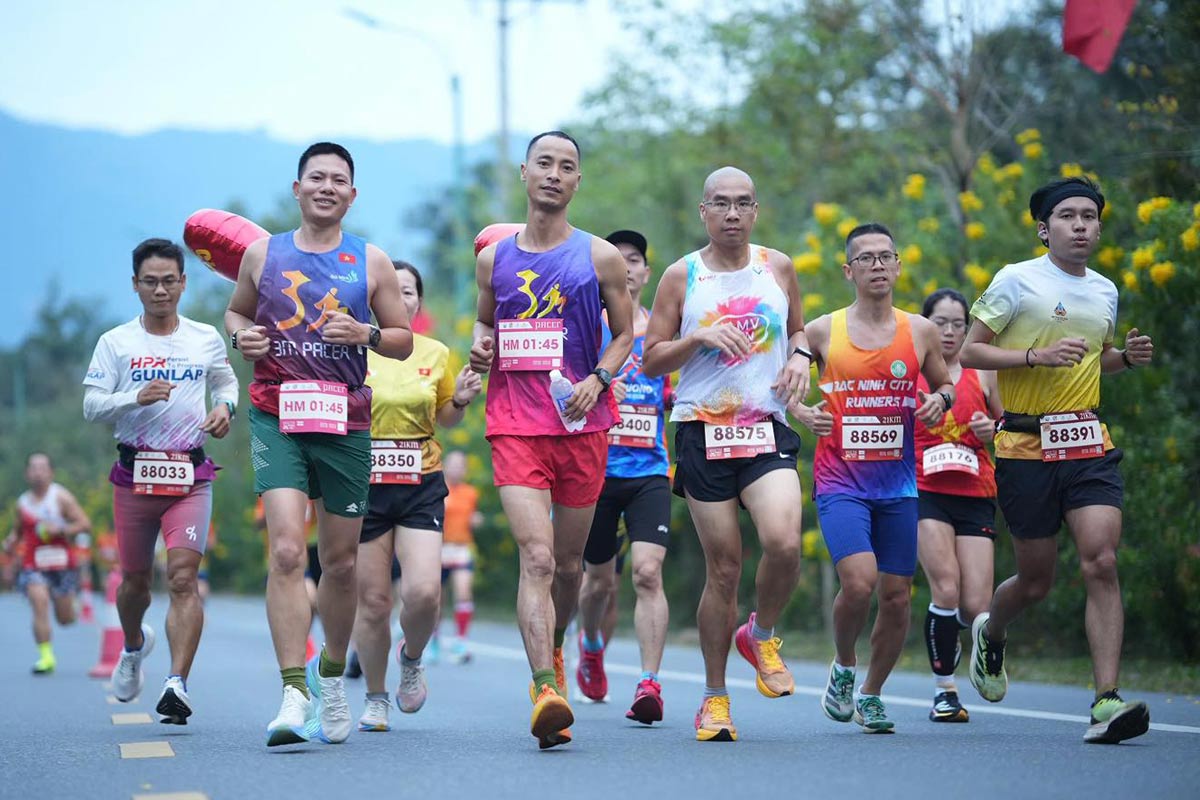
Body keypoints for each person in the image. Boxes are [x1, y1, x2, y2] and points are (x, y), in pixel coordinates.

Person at [224, 141, 413, 747]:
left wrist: (367, 332)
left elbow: (403, 340)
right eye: (316, 178)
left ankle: (332, 676)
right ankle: (292, 691)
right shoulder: (262, 254)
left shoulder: (372, 262)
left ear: (351, 196)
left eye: (338, 180)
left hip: (347, 425)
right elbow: (236, 315)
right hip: (276, 414)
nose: (326, 187)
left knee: (338, 563)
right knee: (285, 552)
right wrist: (243, 340)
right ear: (298, 188)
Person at [961, 177, 1154, 744]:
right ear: (1045, 229)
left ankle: (1105, 701)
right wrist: (1032, 356)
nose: (1080, 225)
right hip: (1024, 447)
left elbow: (1095, 362)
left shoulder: (1105, 290)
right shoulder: (1015, 280)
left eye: (1089, 216)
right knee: (1038, 580)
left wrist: (1127, 358)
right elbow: (971, 350)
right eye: (1067, 216)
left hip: (1089, 442)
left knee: (1101, 561)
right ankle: (992, 633)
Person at [469, 130, 633, 749]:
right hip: (514, 422)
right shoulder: (494, 258)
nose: (555, 175)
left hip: (582, 424)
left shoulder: (600, 258)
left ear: (576, 181)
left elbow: (623, 335)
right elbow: (487, 323)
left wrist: (600, 377)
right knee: (536, 557)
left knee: (569, 566)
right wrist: (482, 346)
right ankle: (543, 686)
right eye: (545, 163)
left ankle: (556, 652)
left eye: (567, 167)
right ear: (525, 173)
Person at [642, 167, 812, 743]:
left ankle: (760, 632)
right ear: (704, 212)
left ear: (756, 211)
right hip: (701, 432)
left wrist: (801, 360)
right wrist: (698, 339)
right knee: (725, 570)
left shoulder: (777, 266)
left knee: (786, 543)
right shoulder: (680, 276)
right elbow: (652, 359)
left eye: (743, 204)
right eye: (722, 204)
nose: (733, 213)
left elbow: (800, 332)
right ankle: (715, 700)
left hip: (764, 426)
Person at [794, 222, 954, 734]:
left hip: (900, 486)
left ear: (899, 265)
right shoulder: (822, 331)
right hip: (840, 480)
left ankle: (872, 692)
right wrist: (804, 413)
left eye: (887, 256)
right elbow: (785, 389)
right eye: (866, 258)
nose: (878, 265)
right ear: (849, 270)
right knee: (859, 583)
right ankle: (843, 666)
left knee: (898, 595)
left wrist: (939, 401)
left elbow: (946, 382)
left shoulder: (920, 331)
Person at [83, 238, 238, 723]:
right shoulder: (116, 342)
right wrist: (133, 396)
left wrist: (225, 408)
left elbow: (227, 382)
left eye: (169, 281)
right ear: (135, 285)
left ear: (183, 283)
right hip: (135, 473)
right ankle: (133, 646)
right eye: (150, 281)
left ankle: (176, 684)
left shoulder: (204, 336)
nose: (160, 290)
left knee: (183, 577)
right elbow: (91, 405)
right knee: (135, 583)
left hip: (189, 473)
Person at [354, 261, 482, 732]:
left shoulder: (435, 351)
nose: (400, 298)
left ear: (418, 302)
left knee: (425, 592)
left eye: (408, 291)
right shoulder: (354, 349)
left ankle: (411, 657)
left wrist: (463, 397)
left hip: (420, 481)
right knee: (372, 602)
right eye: (392, 290)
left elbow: (445, 417)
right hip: (364, 483)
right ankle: (374, 695)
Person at [575, 229, 672, 725]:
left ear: (646, 271)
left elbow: (681, 395)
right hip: (593, 472)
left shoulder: (661, 332)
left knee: (647, 573)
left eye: (635, 260)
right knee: (598, 584)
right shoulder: (587, 330)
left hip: (650, 472)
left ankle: (648, 683)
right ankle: (590, 645)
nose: (627, 268)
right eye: (618, 260)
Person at [913, 288, 1003, 722]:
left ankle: (980, 650)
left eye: (957, 324)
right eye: (940, 323)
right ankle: (944, 691)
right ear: (925, 324)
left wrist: (992, 430)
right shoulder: (909, 372)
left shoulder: (982, 370)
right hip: (925, 491)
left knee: (975, 607)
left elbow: (1006, 426)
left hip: (976, 494)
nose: (948, 332)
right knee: (945, 587)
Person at [7, 454, 91, 675]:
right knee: (39, 601)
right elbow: (17, 532)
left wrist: (61, 529)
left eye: (42, 468)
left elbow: (85, 524)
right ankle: (46, 657)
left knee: (65, 619)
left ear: (51, 472)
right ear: (27, 474)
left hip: (62, 565)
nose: (38, 472)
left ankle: (71, 607)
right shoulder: (22, 503)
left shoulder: (61, 497)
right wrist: (10, 542)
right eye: (33, 468)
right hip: (33, 565)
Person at [441, 449, 484, 664]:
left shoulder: (470, 492)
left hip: (461, 548)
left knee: (463, 593)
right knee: (435, 600)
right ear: (445, 466)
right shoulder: (438, 490)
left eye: (461, 465)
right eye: (453, 464)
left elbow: (473, 514)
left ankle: (461, 640)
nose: (457, 468)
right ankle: (433, 640)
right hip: (439, 549)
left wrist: (476, 519)